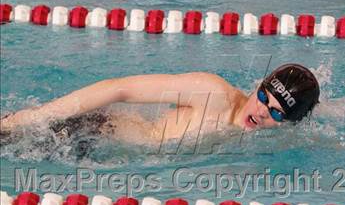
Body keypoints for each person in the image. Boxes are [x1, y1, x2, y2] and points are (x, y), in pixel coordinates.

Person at [0, 63, 320, 146]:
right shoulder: (212, 92)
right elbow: (121, 89)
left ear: (290, 122)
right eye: (264, 97)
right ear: (257, 86)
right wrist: (38, 116)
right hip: (92, 133)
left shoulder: (273, 140)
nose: (262, 110)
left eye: (276, 111)